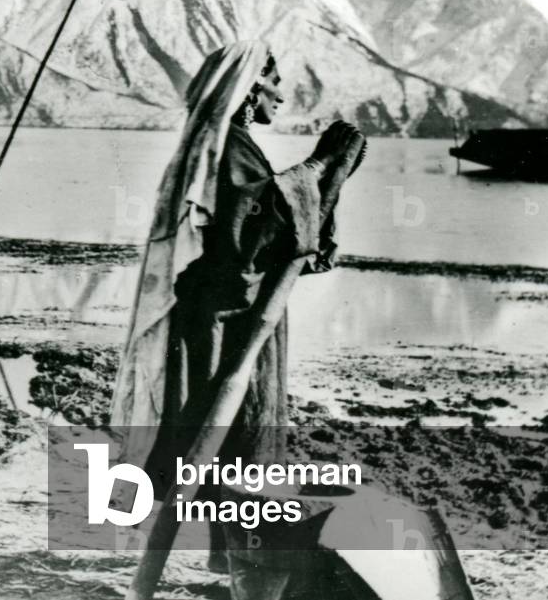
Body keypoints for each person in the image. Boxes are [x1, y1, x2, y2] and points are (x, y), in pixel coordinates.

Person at [109, 41, 366, 583]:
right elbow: (251, 227)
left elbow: (265, 220)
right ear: (252, 89)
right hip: (226, 321)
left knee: (226, 436)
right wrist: (320, 167)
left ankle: (225, 556)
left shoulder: (229, 147)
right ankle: (235, 561)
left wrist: (325, 181)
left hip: (232, 312)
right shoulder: (231, 150)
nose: (283, 93)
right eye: (276, 82)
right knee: (235, 432)